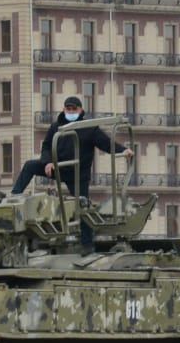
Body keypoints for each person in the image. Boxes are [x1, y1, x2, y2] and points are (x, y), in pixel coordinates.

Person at [11, 95, 132, 246]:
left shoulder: (89, 128)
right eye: (68, 109)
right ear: (64, 109)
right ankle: (13, 198)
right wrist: (48, 162)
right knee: (30, 166)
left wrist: (124, 150)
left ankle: (87, 246)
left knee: (82, 208)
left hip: (78, 174)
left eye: (74, 109)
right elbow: (47, 145)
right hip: (58, 167)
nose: (71, 111)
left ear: (81, 110)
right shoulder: (56, 126)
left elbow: (106, 144)